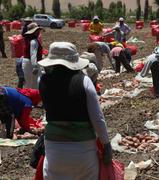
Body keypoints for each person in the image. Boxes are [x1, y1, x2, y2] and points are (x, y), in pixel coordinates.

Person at [38, 42, 112, 179]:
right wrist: (106, 144)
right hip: (82, 149)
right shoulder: (84, 81)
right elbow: (97, 118)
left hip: (54, 149)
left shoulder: (42, 81)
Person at [22, 23, 44, 89]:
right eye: (37, 31)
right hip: (31, 63)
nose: (38, 32)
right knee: (34, 82)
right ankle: (33, 96)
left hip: (27, 62)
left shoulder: (27, 39)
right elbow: (33, 54)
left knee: (28, 82)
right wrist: (35, 66)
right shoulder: (34, 41)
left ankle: (28, 95)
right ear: (33, 32)